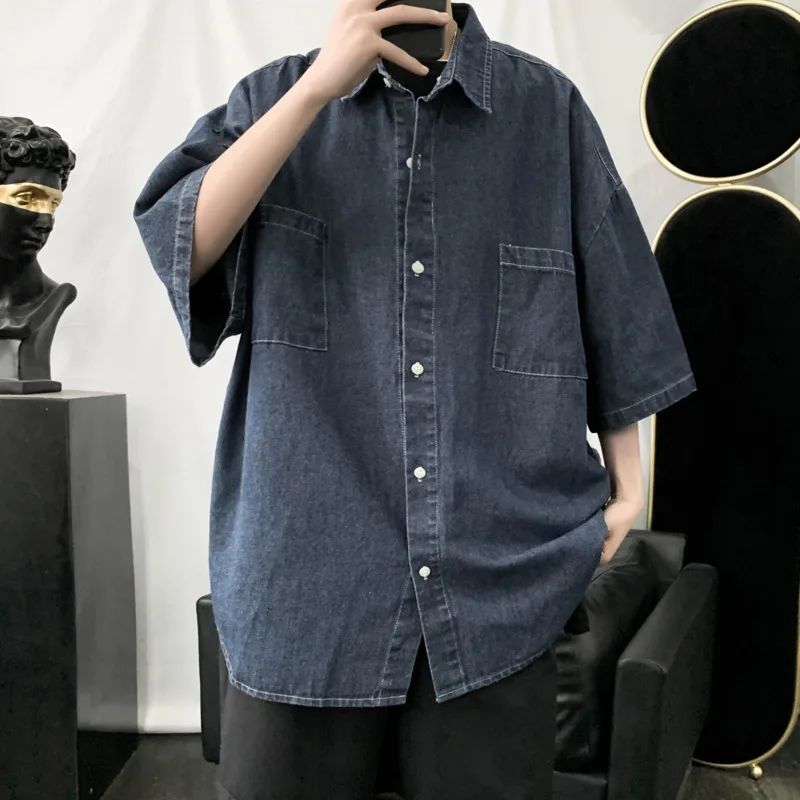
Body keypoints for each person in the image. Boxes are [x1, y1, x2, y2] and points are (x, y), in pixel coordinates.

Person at [134, 2, 696, 798]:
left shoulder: (547, 113)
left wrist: (629, 484)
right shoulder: (274, 97)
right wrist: (314, 92)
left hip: (497, 582)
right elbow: (180, 245)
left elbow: (614, 293)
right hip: (306, 581)